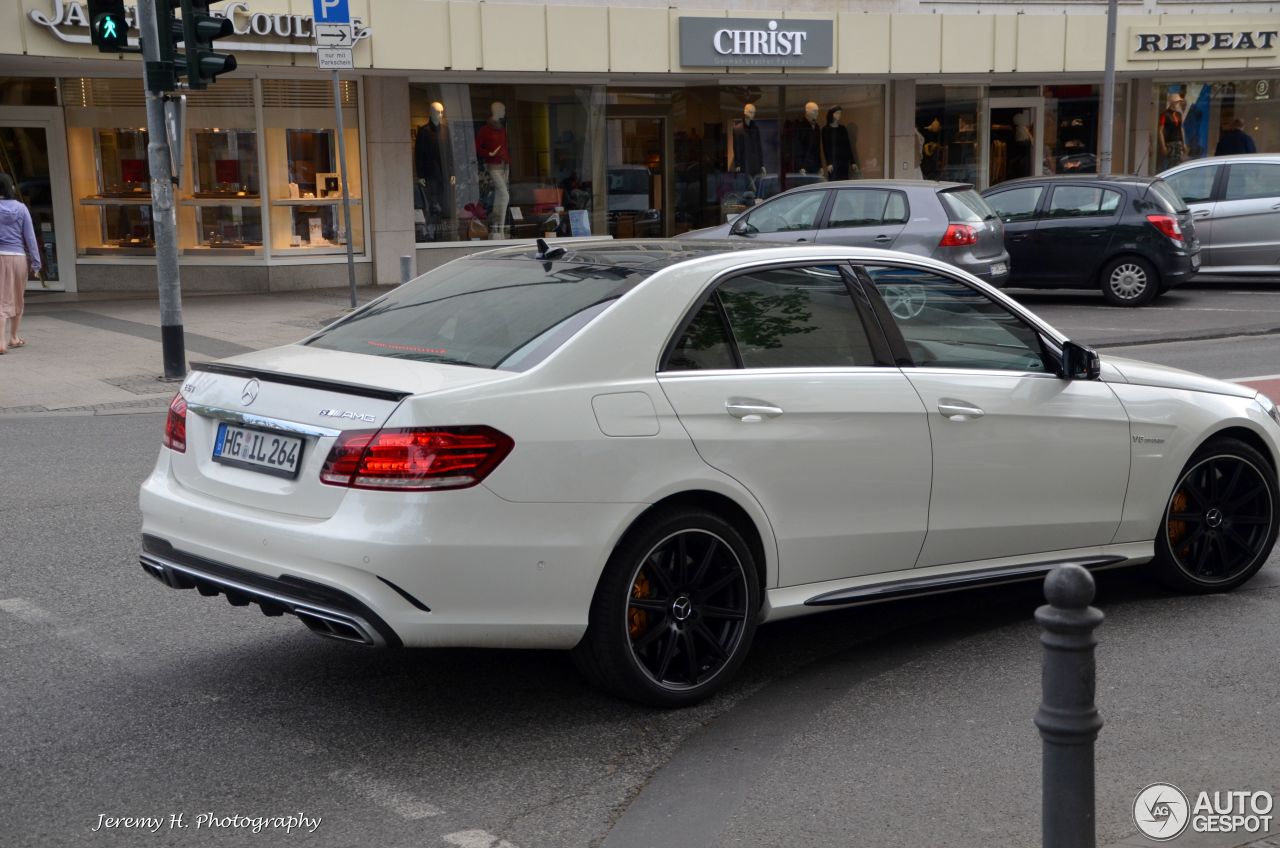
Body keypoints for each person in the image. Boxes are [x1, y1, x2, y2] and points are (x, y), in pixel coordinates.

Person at [0, 173, 41, 354]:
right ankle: (14, 337)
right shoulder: (21, 208)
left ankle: (0, 341)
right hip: (17, 257)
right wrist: (36, 263)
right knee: (18, 297)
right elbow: (30, 237)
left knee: (1, 299)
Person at [1158, 94, 1187, 171]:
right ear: (1172, 103)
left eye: (1179, 102)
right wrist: (1163, 146)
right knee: (1171, 164)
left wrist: (1184, 143)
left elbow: (1181, 128)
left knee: (1179, 163)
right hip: (1170, 143)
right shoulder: (1164, 114)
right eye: (1177, 102)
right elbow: (1160, 130)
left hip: (1179, 142)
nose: (1178, 104)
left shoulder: (1179, 114)